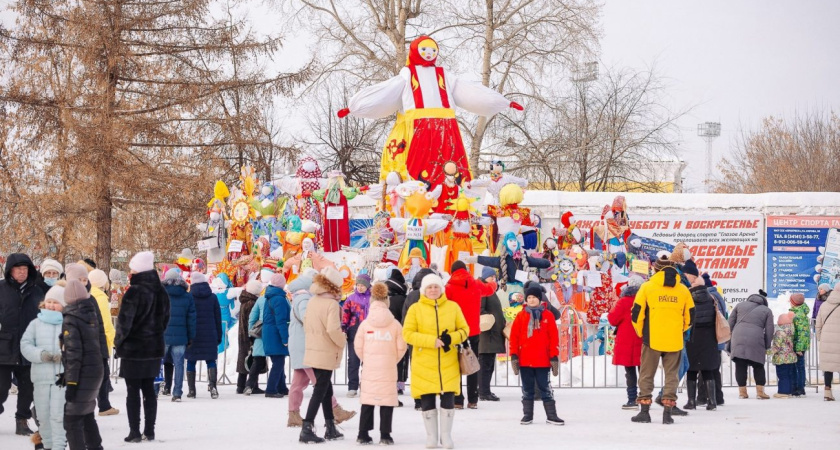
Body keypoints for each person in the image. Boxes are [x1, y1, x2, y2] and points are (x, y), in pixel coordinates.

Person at [403, 273, 469, 449]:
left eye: (436, 287)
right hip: (424, 362)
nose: (433, 290)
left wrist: (451, 338)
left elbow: (464, 330)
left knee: (448, 397)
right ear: (424, 290)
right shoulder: (415, 309)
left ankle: (446, 435)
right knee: (427, 398)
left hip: (448, 362)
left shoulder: (453, 307)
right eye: (429, 287)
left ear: (441, 289)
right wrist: (430, 341)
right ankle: (431, 436)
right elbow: (407, 334)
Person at [286, 269, 355, 428]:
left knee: (299, 381)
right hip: (308, 344)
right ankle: (334, 411)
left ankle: (293, 413)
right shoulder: (305, 299)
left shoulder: (302, 297)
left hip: (303, 343)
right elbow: (309, 319)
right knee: (321, 382)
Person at [630, 256, 693, 425]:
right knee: (672, 376)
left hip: (652, 338)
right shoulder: (683, 290)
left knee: (646, 374)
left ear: (656, 269)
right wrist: (680, 330)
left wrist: (641, 332)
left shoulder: (647, 287)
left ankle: (644, 412)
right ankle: (667, 414)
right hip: (674, 339)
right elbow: (690, 315)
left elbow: (636, 313)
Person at [115, 251, 170, 442]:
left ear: (137, 271)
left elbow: (124, 323)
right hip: (153, 349)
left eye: (132, 269)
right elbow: (165, 319)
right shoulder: (161, 291)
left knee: (132, 392)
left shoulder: (134, 291)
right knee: (149, 391)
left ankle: (135, 432)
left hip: (133, 350)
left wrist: (118, 342)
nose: (130, 272)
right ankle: (150, 430)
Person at [354, 282, 407, 445]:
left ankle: (363, 433)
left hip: (370, 367)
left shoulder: (365, 324)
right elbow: (402, 347)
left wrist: (367, 359)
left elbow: (358, 346)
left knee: (368, 398)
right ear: (386, 301)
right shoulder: (395, 324)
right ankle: (385, 435)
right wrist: (391, 359)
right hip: (388, 367)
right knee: (387, 399)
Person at [299, 267, 348, 444]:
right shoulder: (331, 304)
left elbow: (306, 323)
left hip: (314, 348)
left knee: (326, 388)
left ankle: (330, 426)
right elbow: (333, 329)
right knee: (320, 389)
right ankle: (307, 427)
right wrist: (342, 340)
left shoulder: (313, 301)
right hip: (326, 349)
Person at [0, 253, 45, 436]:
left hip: (28, 347)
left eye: (25, 269)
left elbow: (43, 316)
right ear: (10, 271)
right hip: (4, 347)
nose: (22, 272)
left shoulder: (37, 291)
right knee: (1, 387)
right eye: (18, 269)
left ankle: (22, 421)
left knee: (28, 388)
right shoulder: (1, 289)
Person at [444, 260, 498, 409]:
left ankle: (457, 400)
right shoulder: (475, 284)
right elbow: (489, 289)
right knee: (472, 364)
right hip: (473, 331)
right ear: (466, 270)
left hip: (455, 332)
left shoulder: (449, 287)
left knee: (455, 365)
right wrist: (494, 283)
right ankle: (473, 399)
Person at [20, 286, 66, 450]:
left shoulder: (68, 324)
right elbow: (25, 345)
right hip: (41, 378)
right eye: (49, 301)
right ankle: (47, 445)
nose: (51, 305)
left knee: (58, 416)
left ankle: (59, 446)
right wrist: (40, 355)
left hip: (62, 379)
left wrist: (64, 355)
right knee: (43, 416)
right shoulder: (35, 324)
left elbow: (76, 347)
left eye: (56, 302)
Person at [509, 286, 563, 426]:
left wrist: (554, 356)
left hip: (542, 360)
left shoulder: (548, 316)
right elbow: (514, 337)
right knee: (527, 389)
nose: (531, 300)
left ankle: (552, 416)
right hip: (525, 360)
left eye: (534, 297)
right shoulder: (521, 316)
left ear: (539, 299)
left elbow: (553, 338)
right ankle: (527, 415)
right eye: (529, 297)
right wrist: (514, 355)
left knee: (545, 388)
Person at [61, 280, 104, 450]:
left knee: (72, 420)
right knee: (86, 414)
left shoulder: (71, 319)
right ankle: (95, 447)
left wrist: (71, 382)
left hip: (81, 375)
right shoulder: (90, 313)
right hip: (94, 371)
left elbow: (73, 354)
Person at [681, 264, 722, 411]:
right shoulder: (712, 298)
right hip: (709, 338)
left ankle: (691, 401)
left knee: (691, 370)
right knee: (708, 369)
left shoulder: (688, 298)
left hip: (692, 338)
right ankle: (712, 402)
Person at [728, 291, 774, 400]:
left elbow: (730, 322)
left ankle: (742, 393)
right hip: (756, 338)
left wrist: (730, 338)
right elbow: (769, 329)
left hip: (738, 336)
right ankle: (760, 393)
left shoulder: (739, 305)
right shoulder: (766, 310)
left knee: (740, 365)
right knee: (758, 365)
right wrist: (767, 345)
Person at [401, 268, 436, 411]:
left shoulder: (411, 296)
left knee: (416, 368)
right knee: (429, 368)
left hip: (414, 338)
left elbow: (405, 317)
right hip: (430, 337)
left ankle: (418, 399)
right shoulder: (433, 295)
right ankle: (428, 397)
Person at [183, 272, 222, 399]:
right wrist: (218, 335)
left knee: (191, 361)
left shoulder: (188, 297)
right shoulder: (213, 297)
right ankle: (213, 387)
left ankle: (192, 390)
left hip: (193, 334)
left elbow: (186, 317)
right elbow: (218, 318)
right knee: (211, 360)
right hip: (210, 334)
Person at [608, 275, 644, 409]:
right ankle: (644, 398)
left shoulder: (623, 301)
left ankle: (632, 399)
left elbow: (612, 319)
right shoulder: (646, 300)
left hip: (626, 340)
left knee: (630, 371)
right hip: (643, 339)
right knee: (644, 371)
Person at [88, 269, 119, 416]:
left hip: (88, 341)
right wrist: (115, 342)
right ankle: (104, 405)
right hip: (100, 342)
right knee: (103, 374)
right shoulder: (100, 298)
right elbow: (107, 324)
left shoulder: (87, 294)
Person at [162, 269, 196, 402]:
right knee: (179, 364)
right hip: (181, 336)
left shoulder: (160, 295)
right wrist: (190, 337)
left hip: (163, 335)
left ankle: (155, 389)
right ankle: (177, 393)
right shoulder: (187, 296)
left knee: (158, 363)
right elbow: (191, 319)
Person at [696, 273, 727, 407]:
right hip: (717, 339)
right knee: (714, 369)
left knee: (704, 368)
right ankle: (718, 397)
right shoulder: (718, 296)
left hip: (710, 339)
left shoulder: (708, 298)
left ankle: (703, 397)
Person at [341, 274, 372, 398]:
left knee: (368, 361)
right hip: (354, 331)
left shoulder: (373, 299)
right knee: (353, 360)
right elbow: (345, 315)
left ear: (367, 286)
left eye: (362, 285)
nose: (360, 287)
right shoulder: (351, 299)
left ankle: (366, 386)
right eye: (358, 285)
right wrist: (344, 329)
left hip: (369, 332)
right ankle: (352, 386)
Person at [478, 267, 505, 402]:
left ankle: (485, 390)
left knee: (489, 364)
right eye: (491, 277)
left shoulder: (489, 289)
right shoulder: (483, 290)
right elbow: (480, 309)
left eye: (495, 277)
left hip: (492, 334)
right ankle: (483, 392)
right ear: (485, 277)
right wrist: (491, 319)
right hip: (487, 334)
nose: (494, 279)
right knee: (485, 365)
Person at [261, 272, 291, 398]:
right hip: (276, 334)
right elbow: (281, 321)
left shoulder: (270, 296)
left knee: (279, 361)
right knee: (278, 362)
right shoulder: (279, 299)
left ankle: (281, 387)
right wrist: (285, 338)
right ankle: (271, 389)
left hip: (269, 333)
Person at [236, 279, 263, 394]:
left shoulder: (244, 300)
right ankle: (253, 385)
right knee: (253, 358)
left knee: (244, 358)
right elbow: (253, 320)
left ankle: (241, 385)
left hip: (242, 333)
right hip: (250, 334)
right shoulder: (252, 303)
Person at [385, 269, 409, 395]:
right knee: (401, 358)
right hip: (400, 333)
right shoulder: (402, 299)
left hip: (385, 334)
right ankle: (399, 384)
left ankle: (387, 382)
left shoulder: (383, 298)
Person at [815, 283, 840, 401]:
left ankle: (827, 392)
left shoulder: (824, 305)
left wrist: (820, 338)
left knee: (828, 367)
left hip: (826, 339)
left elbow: (818, 324)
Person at [245, 280, 268, 396]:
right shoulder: (283, 299)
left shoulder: (261, 299)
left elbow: (252, 317)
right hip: (276, 332)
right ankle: (277, 385)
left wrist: (251, 333)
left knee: (257, 360)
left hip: (261, 332)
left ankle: (249, 385)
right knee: (278, 361)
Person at [770, 312, 797, 398]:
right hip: (790, 357)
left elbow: (777, 346)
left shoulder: (780, 332)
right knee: (789, 375)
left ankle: (783, 392)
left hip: (781, 358)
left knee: (782, 375)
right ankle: (789, 391)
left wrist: (767, 352)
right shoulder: (791, 331)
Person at [788, 293, 810, 397]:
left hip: (798, 345)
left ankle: (798, 388)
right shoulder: (801, 312)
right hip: (800, 344)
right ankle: (799, 388)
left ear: (794, 302)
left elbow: (801, 332)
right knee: (800, 366)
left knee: (797, 367)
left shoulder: (797, 315)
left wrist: (798, 348)